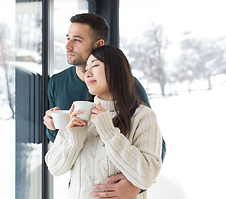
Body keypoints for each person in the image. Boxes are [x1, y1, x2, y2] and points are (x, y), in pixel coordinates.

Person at [43, 13, 165, 198]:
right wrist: (59, 127)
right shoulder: (57, 83)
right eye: (67, 38)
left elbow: (154, 150)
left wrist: (136, 186)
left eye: (77, 40)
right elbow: (56, 162)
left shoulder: (136, 101)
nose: (67, 46)